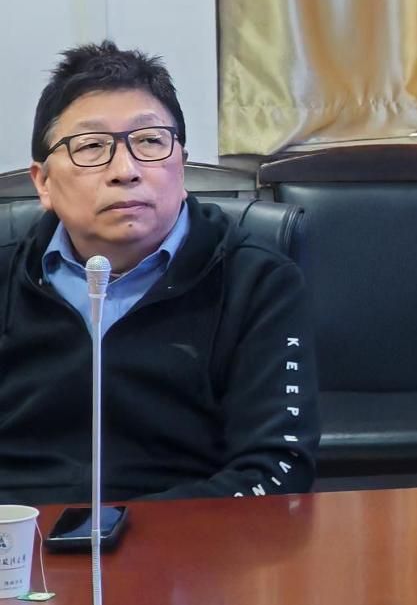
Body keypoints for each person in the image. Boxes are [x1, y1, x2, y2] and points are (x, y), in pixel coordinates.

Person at [0, 41, 319, 504]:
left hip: (190, 533)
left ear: (181, 167)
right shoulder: (9, 274)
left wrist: (124, 528)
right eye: (91, 146)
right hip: (18, 531)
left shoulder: (257, 280)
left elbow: (277, 467)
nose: (125, 170)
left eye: (149, 141)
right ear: (43, 182)